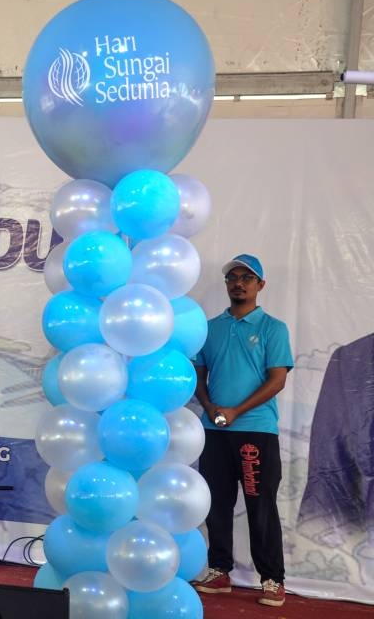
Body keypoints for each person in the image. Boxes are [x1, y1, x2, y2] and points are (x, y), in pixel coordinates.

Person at [192, 254, 293, 607]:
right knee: (216, 503)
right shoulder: (210, 328)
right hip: (215, 431)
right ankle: (219, 571)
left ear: (260, 285)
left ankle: (272, 578)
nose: (238, 283)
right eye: (233, 277)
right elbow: (198, 376)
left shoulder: (273, 328)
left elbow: (277, 380)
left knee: (259, 505)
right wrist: (210, 408)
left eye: (247, 278)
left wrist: (236, 410)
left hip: (256, 432)